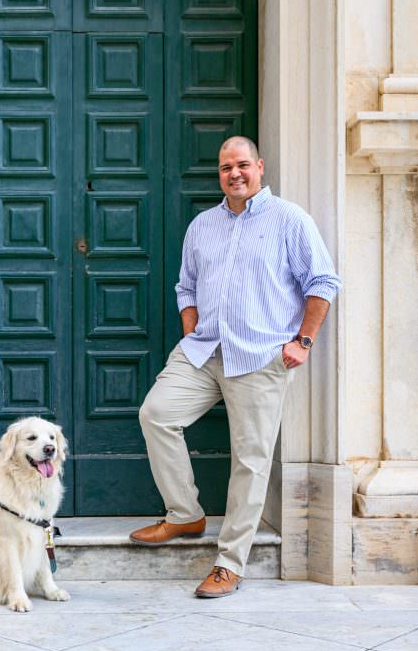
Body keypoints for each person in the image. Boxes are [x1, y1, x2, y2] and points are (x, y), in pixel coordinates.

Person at [130, 137, 341, 598]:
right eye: (226, 167)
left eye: (242, 164)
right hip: (203, 351)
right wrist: (191, 330)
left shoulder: (289, 220)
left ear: (260, 167)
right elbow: (185, 286)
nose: (235, 174)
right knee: (156, 414)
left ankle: (230, 563)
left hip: (261, 354)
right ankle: (185, 514)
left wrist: (303, 341)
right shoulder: (203, 225)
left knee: (250, 459)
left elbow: (323, 280)